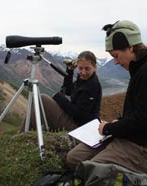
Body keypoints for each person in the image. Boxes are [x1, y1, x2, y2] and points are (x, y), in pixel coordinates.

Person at [66, 20, 147, 174]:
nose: (115, 62)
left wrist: (110, 128)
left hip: (140, 145)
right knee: (73, 159)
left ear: (130, 47)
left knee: (89, 170)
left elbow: (142, 119)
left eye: (116, 56)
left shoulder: (144, 72)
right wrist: (120, 122)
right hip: (127, 134)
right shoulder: (137, 69)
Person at [20, 50, 102, 132]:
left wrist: (58, 97)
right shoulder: (84, 79)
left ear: (95, 67)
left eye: (87, 69)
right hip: (77, 122)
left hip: (79, 127)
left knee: (42, 99)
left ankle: (24, 133)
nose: (83, 72)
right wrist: (69, 71)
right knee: (40, 100)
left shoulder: (93, 85)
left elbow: (78, 114)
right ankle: (26, 132)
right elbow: (68, 91)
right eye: (80, 68)